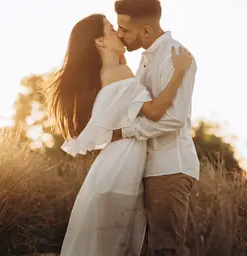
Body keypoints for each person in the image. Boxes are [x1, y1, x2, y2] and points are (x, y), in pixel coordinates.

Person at [47, 13, 192, 256]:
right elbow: (156, 112)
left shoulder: (111, 73)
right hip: (121, 170)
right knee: (114, 247)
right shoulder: (119, 74)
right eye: (111, 29)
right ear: (100, 42)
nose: (118, 33)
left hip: (115, 166)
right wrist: (179, 72)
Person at [112, 0, 200, 255]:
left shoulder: (175, 56)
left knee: (165, 249)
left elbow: (173, 118)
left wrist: (125, 133)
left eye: (124, 29)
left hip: (169, 168)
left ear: (147, 31)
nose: (120, 34)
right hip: (148, 167)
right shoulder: (145, 58)